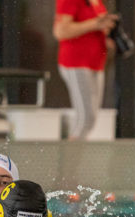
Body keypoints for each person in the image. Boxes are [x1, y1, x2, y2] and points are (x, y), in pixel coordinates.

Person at [53, 0, 118, 140]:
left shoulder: (97, 2)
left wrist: (109, 39)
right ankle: (69, 161)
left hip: (96, 64)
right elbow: (60, 31)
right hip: (76, 63)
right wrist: (95, 24)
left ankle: (75, 159)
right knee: (85, 119)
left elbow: (94, 30)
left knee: (90, 119)